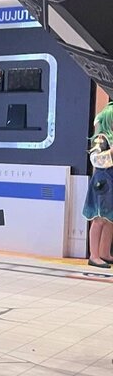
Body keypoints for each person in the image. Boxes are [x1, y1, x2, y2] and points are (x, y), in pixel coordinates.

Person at [83, 102, 113, 268]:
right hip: (103, 181)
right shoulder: (101, 138)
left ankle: (104, 252)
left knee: (110, 219)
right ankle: (94, 255)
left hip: (110, 180)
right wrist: (111, 152)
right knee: (99, 218)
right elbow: (94, 159)